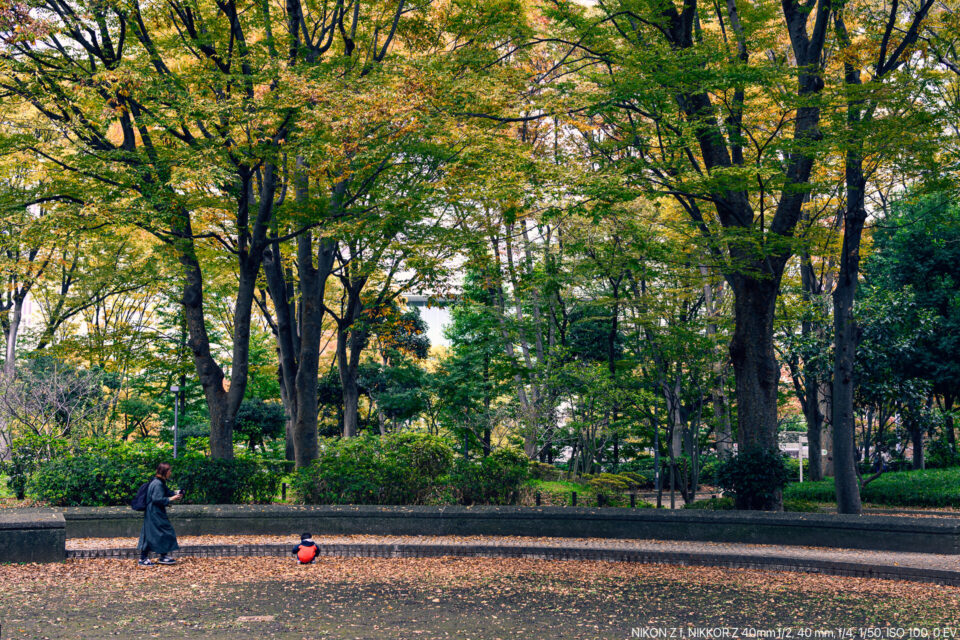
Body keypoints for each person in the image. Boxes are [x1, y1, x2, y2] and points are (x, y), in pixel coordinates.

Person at [137, 462, 183, 567]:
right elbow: (157, 499)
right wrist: (172, 498)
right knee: (154, 534)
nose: (170, 473)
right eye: (169, 471)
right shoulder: (157, 483)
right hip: (154, 513)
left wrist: (176, 493)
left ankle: (163, 556)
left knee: (161, 533)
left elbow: (166, 492)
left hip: (156, 512)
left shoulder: (160, 482)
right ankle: (143, 559)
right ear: (164, 472)